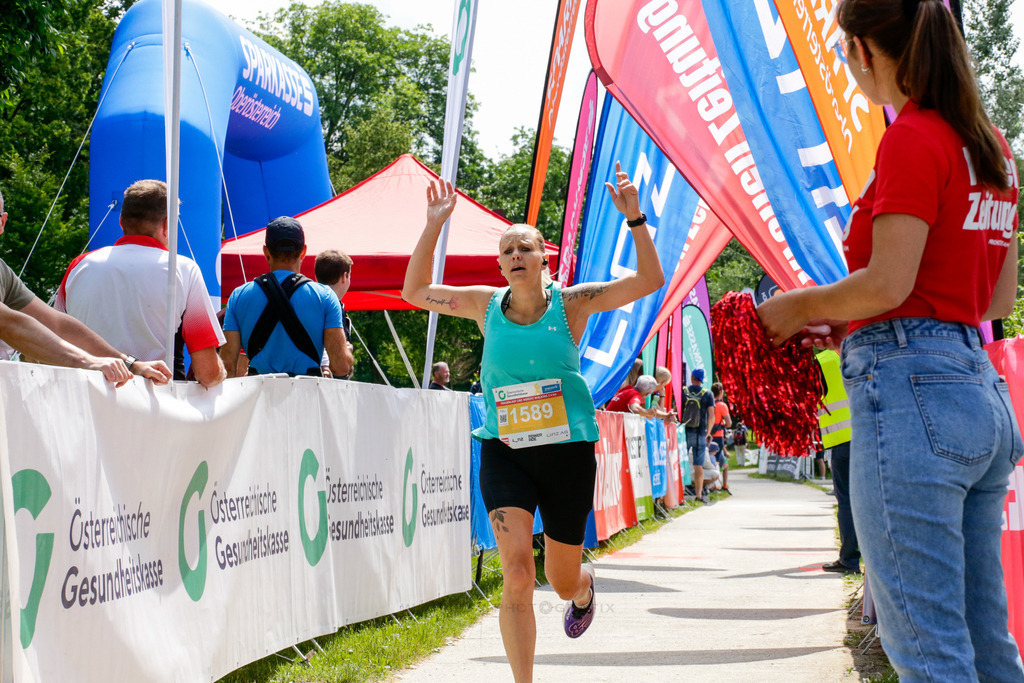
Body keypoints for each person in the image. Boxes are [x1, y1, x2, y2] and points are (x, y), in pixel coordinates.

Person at [757, 0, 1022, 677]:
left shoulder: (912, 137)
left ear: (863, 50)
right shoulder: (992, 147)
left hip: (911, 395)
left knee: (928, 649)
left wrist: (794, 308)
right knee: (987, 642)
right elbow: (994, 299)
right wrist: (848, 317)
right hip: (977, 389)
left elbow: (888, 284)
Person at [402, 161, 663, 682]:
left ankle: (584, 587)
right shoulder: (484, 304)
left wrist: (635, 220)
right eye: (507, 250)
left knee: (558, 579)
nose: (516, 254)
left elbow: (649, 280)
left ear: (545, 257)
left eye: (526, 247)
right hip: (505, 451)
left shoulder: (573, 302)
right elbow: (414, 292)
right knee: (517, 573)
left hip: (567, 453)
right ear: (499, 265)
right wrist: (434, 223)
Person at [55, 179, 224, 387]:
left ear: (121, 221)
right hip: (153, 406)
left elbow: (55, 339)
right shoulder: (182, 269)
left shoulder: (79, 265)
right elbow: (207, 372)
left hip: (83, 400)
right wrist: (223, 374)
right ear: (167, 224)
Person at [0, 185, 170, 387]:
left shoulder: (3, 271)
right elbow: (9, 323)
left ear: (2, 222)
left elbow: (57, 324)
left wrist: (131, 364)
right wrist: (88, 361)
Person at [221, 217, 354, 378]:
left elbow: (228, 365)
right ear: (303, 251)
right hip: (307, 396)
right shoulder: (326, 297)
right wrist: (346, 353)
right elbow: (340, 366)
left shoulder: (238, 296)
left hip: (259, 397)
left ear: (266, 252)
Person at [815, 349, 860, 575]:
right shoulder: (859, 353)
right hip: (868, 435)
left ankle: (850, 558)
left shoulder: (822, 362)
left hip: (842, 440)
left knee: (847, 501)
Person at [314, 249, 355, 378]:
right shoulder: (332, 306)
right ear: (344, 277)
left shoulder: (309, 303)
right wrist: (344, 353)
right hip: (327, 381)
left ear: (316, 277)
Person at [682, 369, 715, 504]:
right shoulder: (708, 394)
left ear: (692, 376)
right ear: (702, 379)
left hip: (684, 431)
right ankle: (699, 495)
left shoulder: (684, 391)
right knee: (698, 466)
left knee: (680, 463)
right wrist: (708, 432)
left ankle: (680, 494)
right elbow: (711, 415)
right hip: (700, 432)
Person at [710, 382, 732, 494]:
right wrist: (722, 423)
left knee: (713, 461)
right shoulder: (722, 406)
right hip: (718, 437)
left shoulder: (709, 403)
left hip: (708, 436)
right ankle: (720, 485)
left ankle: (716, 485)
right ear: (721, 392)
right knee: (719, 462)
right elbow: (729, 423)